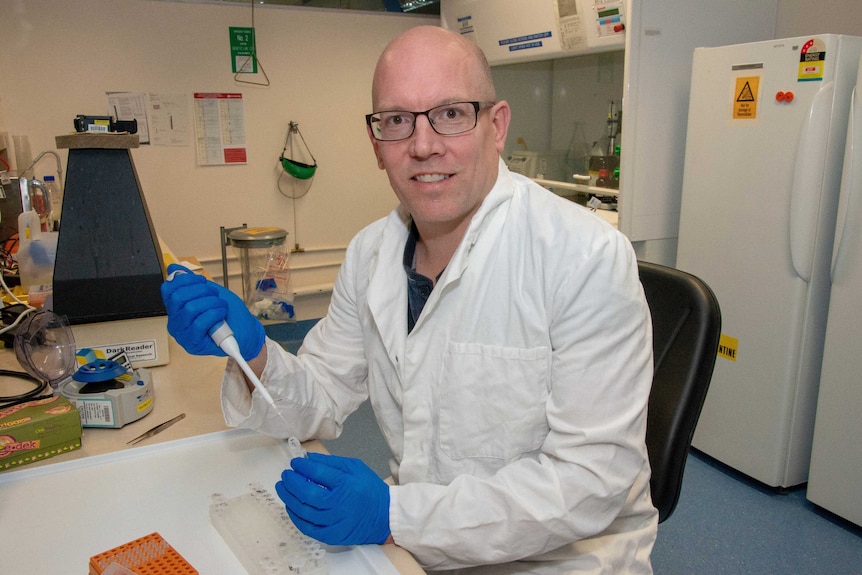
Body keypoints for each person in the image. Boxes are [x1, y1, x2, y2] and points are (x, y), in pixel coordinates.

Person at [162, 25, 657, 574]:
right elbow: (321, 395)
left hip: (560, 562)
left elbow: (588, 484)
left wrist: (396, 513)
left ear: (496, 127)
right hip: (420, 545)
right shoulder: (371, 253)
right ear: (377, 144)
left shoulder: (583, 258)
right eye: (397, 121)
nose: (423, 145)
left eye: (451, 113)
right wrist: (250, 353)